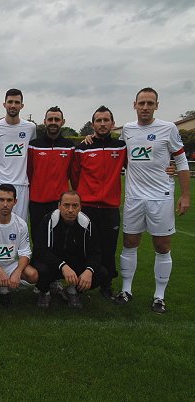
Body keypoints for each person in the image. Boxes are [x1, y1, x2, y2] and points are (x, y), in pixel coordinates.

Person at [114, 87, 190, 313]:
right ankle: (126, 290)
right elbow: (119, 155)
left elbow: (182, 162)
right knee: (129, 244)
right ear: (134, 105)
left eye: (150, 103)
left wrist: (185, 195)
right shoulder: (127, 129)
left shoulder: (168, 129)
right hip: (134, 197)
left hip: (161, 197)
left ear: (157, 105)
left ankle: (159, 296)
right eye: (141, 103)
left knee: (162, 246)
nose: (145, 107)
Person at [71, 106, 126, 299]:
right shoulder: (82, 148)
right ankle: (78, 282)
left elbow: (137, 168)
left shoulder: (121, 146)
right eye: (98, 120)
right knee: (84, 246)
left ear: (112, 123)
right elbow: (75, 177)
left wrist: (167, 169)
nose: (102, 124)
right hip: (87, 207)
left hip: (110, 208)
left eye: (106, 120)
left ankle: (106, 283)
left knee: (108, 248)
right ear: (93, 124)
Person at [33, 191, 106, 309]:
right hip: (54, 265)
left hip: (75, 266)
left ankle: (72, 291)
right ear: (59, 206)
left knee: (102, 273)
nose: (70, 210)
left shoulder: (87, 224)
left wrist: (89, 271)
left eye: (75, 206)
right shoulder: (49, 220)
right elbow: (39, 251)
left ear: (80, 207)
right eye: (66, 205)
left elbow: (95, 253)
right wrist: (62, 266)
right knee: (40, 269)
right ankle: (44, 291)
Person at [0, 88, 36, 222]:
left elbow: (31, 154)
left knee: (19, 226)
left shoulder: (30, 128)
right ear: (4, 104)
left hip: (21, 185)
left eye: (16, 102)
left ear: (22, 105)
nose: (13, 105)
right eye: (10, 102)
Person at [27, 106, 75, 242]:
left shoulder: (69, 146)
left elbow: (73, 174)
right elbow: (29, 171)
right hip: (37, 202)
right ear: (45, 121)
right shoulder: (33, 145)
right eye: (50, 119)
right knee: (38, 238)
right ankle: (37, 263)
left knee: (60, 239)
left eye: (57, 119)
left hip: (60, 203)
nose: (53, 122)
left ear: (62, 122)